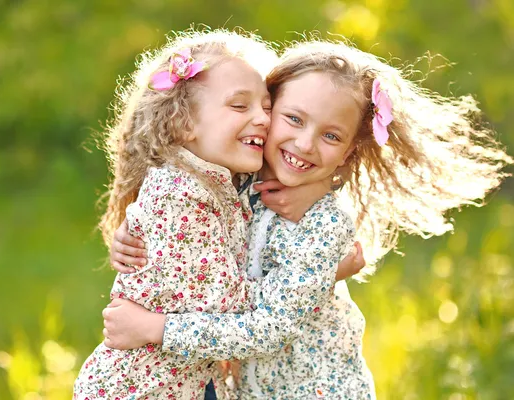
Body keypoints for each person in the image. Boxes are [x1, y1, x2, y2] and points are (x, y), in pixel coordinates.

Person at [102, 38, 513, 399]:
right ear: (270, 111)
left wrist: (155, 329)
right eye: (293, 119)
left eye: (331, 135)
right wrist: (137, 226)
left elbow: (268, 326)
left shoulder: (322, 223)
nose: (304, 143)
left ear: (349, 151)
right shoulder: (237, 182)